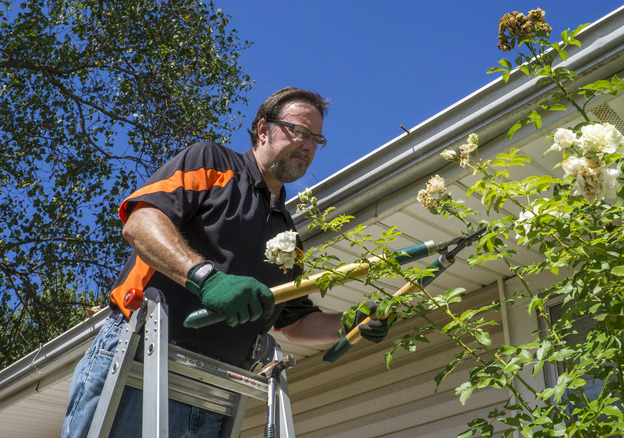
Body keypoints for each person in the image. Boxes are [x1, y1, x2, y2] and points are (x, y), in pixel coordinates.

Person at [62, 87, 389, 437]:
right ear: (263, 130)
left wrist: (348, 324)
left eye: (317, 140)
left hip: (213, 389)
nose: (308, 146)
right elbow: (140, 224)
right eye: (299, 132)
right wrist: (207, 280)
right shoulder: (212, 163)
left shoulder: (288, 233)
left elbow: (292, 320)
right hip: (138, 359)